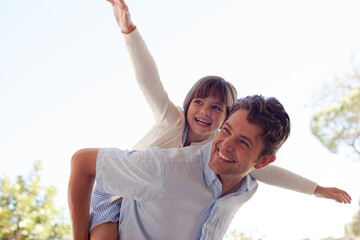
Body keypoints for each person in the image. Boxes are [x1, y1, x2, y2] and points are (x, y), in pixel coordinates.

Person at [68, 0, 352, 239]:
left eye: (217, 108)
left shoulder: (227, 160)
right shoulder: (172, 121)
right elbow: (148, 81)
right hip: (117, 193)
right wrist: (128, 30)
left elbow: (270, 172)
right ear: (188, 103)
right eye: (199, 102)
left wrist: (317, 190)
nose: (204, 111)